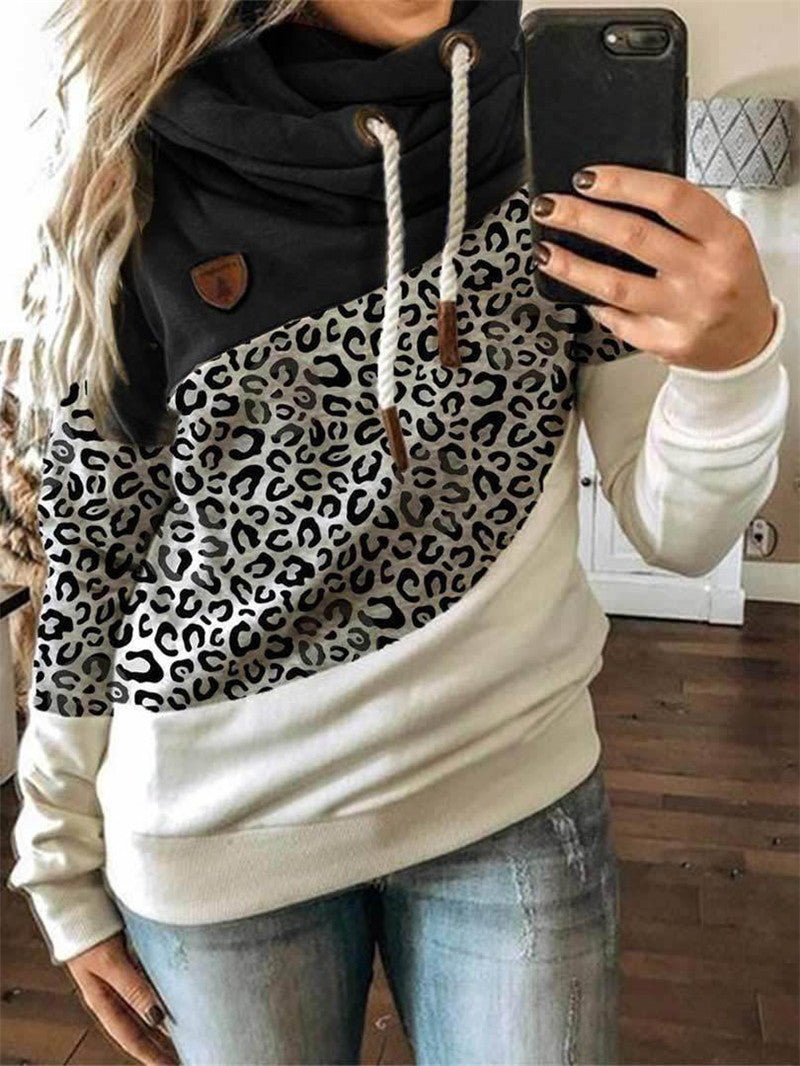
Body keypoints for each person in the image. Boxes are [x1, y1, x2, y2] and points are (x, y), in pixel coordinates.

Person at [6, 0, 789, 1064]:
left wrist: (732, 364)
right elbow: (91, 555)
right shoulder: (129, 153)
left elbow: (676, 533)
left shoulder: (555, 138)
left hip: (510, 792)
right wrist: (58, 862)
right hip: (215, 833)